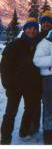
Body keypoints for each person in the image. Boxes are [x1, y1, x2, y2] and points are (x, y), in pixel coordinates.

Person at [1, 16, 41, 145]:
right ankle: (5, 138)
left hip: (32, 86)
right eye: (29, 28)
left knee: (30, 109)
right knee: (10, 113)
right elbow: (4, 66)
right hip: (15, 86)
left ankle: (24, 132)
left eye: (34, 28)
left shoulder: (40, 45)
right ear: (24, 29)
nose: (32, 31)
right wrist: (8, 84)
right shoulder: (15, 45)